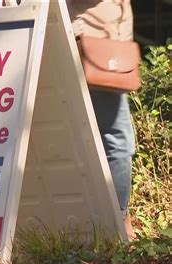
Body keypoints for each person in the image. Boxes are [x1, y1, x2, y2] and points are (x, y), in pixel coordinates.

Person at [66, 0, 136, 239]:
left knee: (113, 138)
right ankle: (115, 223)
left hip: (109, 48)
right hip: (92, 47)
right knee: (118, 140)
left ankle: (115, 219)